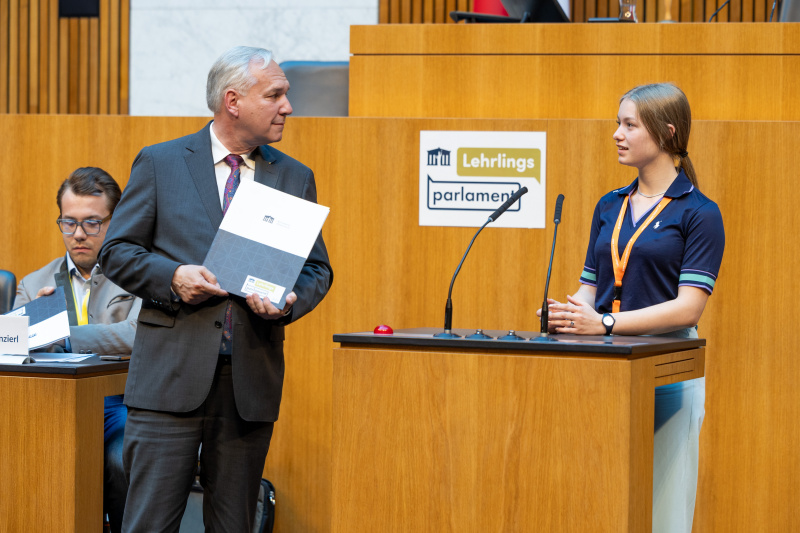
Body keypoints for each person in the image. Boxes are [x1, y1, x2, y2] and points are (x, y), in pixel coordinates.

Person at [99, 46, 333, 531]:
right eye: (275, 95)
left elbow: (316, 270)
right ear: (233, 101)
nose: (287, 106)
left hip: (248, 383)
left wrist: (290, 301)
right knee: (149, 523)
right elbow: (117, 251)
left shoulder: (293, 176)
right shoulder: (161, 163)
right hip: (169, 378)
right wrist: (172, 278)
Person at [538, 83, 724, 532]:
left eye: (629, 125)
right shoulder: (609, 205)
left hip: (667, 371)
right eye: (617, 123)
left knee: (664, 512)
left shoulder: (699, 212)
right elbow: (590, 287)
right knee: (599, 500)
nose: (616, 134)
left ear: (666, 132)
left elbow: (688, 310)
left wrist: (603, 322)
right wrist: (568, 312)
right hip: (604, 370)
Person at [14, 166, 140, 533]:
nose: (78, 235)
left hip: (119, 404)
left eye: (92, 223)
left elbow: (135, 335)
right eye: (68, 223)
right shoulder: (34, 283)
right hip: (52, 408)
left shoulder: (137, 275)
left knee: (121, 460)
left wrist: (65, 336)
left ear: (115, 221)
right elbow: (12, 348)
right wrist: (34, 321)